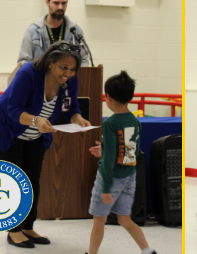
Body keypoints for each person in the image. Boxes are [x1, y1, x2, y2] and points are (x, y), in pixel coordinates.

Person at [0, 42, 91, 248]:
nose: (68, 73)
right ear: (51, 63)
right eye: (64, 67)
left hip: (37, 134)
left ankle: (27, 227)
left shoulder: (69, 80)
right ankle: (13, 230)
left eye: (72, 69)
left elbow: (70, 107)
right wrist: (37, 121)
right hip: (9, 129)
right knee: (15, 181)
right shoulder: (29, 74)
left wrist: (78, 118)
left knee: (33, 180)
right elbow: (12, 109)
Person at [86, 71, 156, 254]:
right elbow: (129, 150)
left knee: (99, 220)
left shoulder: (110, 123)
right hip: (129, 177)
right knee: (125, 219)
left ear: (107, 97)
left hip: (111, 178)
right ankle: (147, 250)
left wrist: (107, 186)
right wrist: (105, 149)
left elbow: (109, 160)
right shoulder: (135, 120)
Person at [17, 0, 91, 68]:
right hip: (40, 78)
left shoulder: (75, 31)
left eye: (64, 3)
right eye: (56, 3)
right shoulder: (33, 31)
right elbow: (23, 62)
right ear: (47, 2)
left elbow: (84, 60)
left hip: (68, 78)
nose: (60, 7)